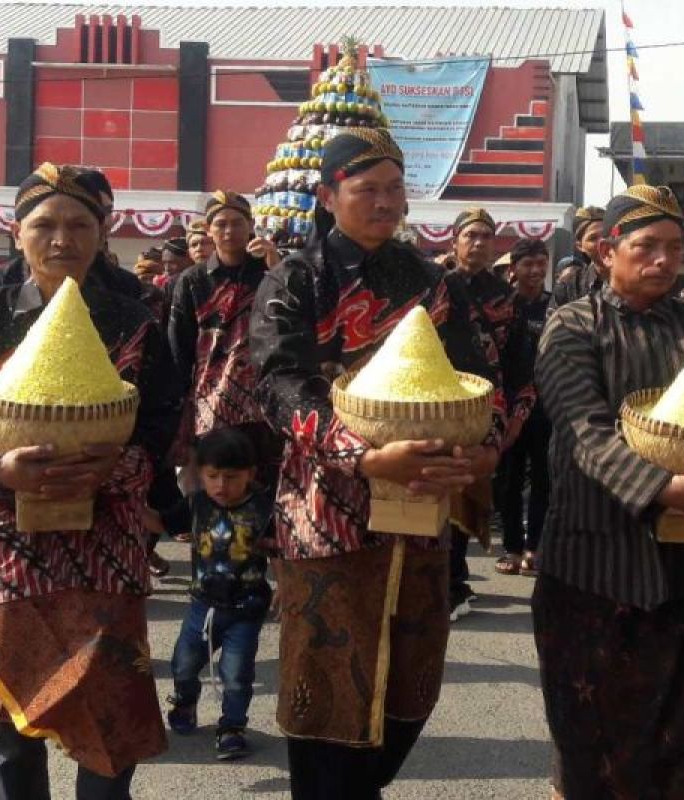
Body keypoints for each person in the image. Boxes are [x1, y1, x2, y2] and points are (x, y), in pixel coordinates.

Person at [249, 128, 502, 799]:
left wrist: (484, 445)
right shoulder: (296, 278)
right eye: (368, 189)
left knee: (409, 686)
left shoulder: (430, 281)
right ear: (329, 196)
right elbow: (278, 384)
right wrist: (360, 456)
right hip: (326, 515)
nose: (386, 202)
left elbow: (479, 376)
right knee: (327, 691)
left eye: (395, 188)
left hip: (420, 509)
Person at [0, 163, 180, 798]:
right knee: (10, 724)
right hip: (4, 539)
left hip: (106, 540)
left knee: (107, 713)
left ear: (104, 232)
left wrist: (116, 469)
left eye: (79, 224)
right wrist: (0, 468)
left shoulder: (137, 319)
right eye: (44, 224)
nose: (61, 239)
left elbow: (161, 424)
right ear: (17, 233)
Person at [534, 185, 684, 799]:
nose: (663, 261)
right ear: (608, 251)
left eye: (673, 248)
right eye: (645, 247)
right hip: (598, 566)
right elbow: (585, 430)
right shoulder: (572, 326)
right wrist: (663, 488)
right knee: (599, 751)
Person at [143, 427, 276, 762]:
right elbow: (161, 523)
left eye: (231, 477)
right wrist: (132, 505)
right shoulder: (196, 504)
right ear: (199, 474)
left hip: (246, 609)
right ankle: (185, 701)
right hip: (202, 605)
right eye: (212, 476)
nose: (221, 485)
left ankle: (232, 727)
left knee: (236, 673)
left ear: (251, 474)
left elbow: (283, 550)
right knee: (183, 663)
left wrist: (286, 585)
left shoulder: (264, 510)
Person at [444, 207, 535, 620]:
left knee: (469, 489)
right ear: (455, 241)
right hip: (437, 404)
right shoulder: (436, 288)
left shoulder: (506, 299)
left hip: (487, 408)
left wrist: (517, 414)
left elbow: (520, 364)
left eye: (485, 236)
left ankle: (455, 575)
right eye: (470, 235)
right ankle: (441, 577)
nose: (477, 243)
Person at [168, 191, 283, 493]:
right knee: (217, 485)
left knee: (262, 484)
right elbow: (179, 346)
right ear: (208, 230)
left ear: (251, 225)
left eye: (237, 223)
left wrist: (277, 267)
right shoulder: (192, 281)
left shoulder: (270, 274)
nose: (229, 231)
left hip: (264, 402)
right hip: (211, 401)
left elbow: (293, 321)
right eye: (220, 224)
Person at [493, 238, 551, 577]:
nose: (536, 270)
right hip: (507, 408)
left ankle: (535, 547)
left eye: (541, 263)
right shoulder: (501, 308)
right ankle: (512, 548)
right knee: (508, 479)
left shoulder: (556, 307)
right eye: (528, 264)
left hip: (545, 408)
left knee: (544, 479)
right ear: (513, 268)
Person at [552, 205, 604, 285]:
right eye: (593, 238)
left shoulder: (629, 278)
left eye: (606, 234)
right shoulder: (570, 285)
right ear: (580, 246)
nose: (603, 241)